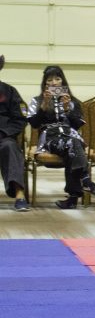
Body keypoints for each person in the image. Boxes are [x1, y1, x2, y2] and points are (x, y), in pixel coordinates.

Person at [27, 66, 95, 209]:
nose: (54, 83)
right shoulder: (37, 100)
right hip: (50, 138)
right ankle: (86, 181)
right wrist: (44, 106)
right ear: (45, 84)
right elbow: (34, 124)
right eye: (49, 80)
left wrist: (68, 109)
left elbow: (77, 125)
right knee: (73, 145)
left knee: (72, 149)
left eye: (57, 79)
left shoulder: (72, 101)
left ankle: (72, 200)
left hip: (71, 136)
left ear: (63, 81)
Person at [0, 55, 30, 212]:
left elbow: (20, 119)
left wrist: (4, 132)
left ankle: (20, 195)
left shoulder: (9, 91)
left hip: (4, 137)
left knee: (10, 147)